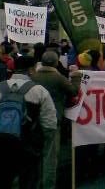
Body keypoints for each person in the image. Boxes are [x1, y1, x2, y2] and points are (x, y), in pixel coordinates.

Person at [0, 55, 57, 189]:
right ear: (32, 70)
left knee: (2, 182)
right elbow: (49, 125)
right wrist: (44, 144)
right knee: (28, 182)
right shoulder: (40, 91)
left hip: (1, 146)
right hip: (29, 147)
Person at [31, 51, 81, 188]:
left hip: (34, 120)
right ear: (56, 62)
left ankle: (35, 183)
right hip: (53, 120)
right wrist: (76, 76)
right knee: (50, 156)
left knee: (37, 155)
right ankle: (48, 185)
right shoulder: (57, 78)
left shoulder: (33, 77)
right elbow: (73, 91)